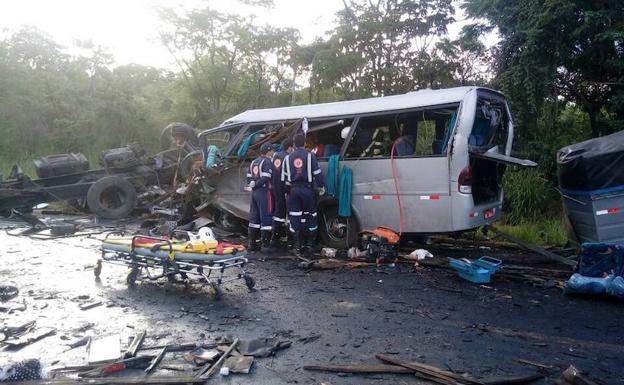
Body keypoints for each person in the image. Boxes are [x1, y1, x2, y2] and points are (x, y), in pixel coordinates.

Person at [282, 133, 325, 257]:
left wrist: (288, 191)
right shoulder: (310, 156)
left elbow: (284, 178)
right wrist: (321, 186)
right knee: (311, 216)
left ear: (294, 144)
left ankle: (297, 247)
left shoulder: (287, 158)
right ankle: (310, 245)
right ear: (304, 142)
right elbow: (317, 173)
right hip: (307, 190)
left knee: (295, 218)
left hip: (293, 191)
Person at [246, 143, 275, 252]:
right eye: (272, 150)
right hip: (264, 192)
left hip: (254, 193)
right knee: (266, 216)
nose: (273, 152)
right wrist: (257, 184)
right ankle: (265, 246)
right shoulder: (267, 162)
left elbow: (248, 177)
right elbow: (266, 177)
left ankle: (251, 244)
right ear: (268, 151)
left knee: (254, 217)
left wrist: (252, 184)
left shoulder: (254, 162)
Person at [270, 137, 293, 250]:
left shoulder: (275, 155)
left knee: (278, 211)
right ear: (289, 148)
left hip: (275, 187)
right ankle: (289, 240)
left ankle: (275, 238)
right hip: (285, 188)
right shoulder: (288, 157)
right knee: (288, 213)